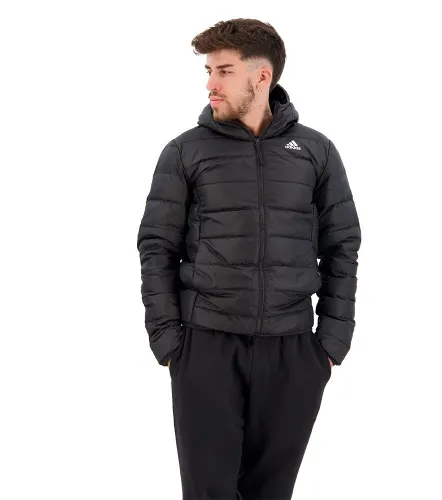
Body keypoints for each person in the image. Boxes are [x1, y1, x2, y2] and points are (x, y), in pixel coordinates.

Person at [137, 18, 361, 500]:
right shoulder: (184, 151)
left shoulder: (316, 152)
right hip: (206, 348)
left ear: (262, 76)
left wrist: (330, 343)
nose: (210, 84)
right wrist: (169, 341)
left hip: (292, 352)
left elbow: (342, 246)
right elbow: (156, 246)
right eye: (209, 71)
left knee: (270, 493)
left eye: (224, 71)